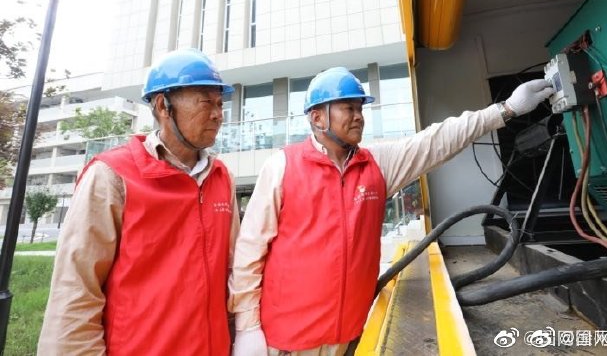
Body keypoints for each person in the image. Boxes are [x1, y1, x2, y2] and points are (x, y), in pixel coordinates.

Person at [229, 67, 554, 355]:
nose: (358, 116)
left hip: (348, 337)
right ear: (317, 118)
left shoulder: (376, 165)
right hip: (286, 342)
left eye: (360, 108)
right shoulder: (282, 167)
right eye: (348, 108)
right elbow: (249, 252)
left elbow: (436, 141)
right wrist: (247, 328)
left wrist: (506, 109)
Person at [38, 49, 240, 355]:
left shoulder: (222, 177)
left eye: (220, 103)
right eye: (205, 102)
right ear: (162, 106)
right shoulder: (110, 176)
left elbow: (233, 271)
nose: (217, 114)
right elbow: (75, 290)